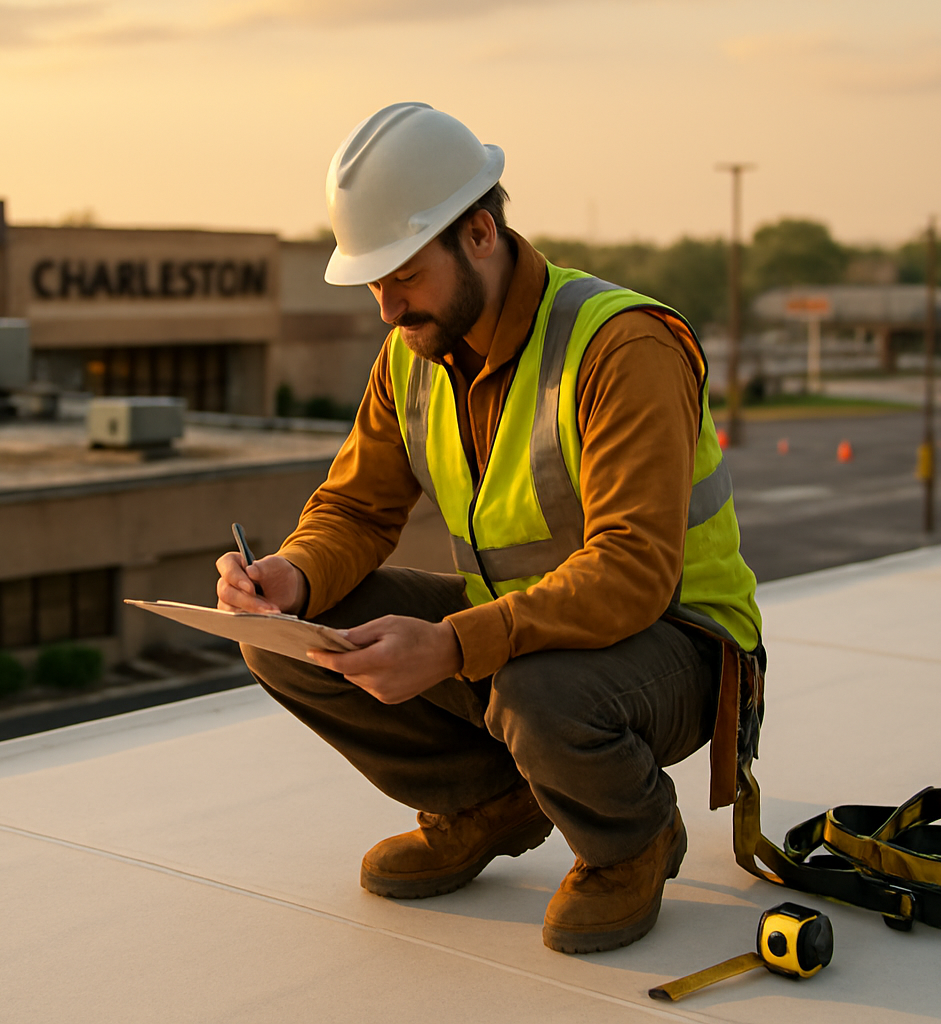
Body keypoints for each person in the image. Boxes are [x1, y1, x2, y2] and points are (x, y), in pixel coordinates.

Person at [216, 102, 763, 954]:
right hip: (521, 628)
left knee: (537, 692)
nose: (387, 307)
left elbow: (630, 572)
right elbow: (357, 510)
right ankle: (487, 803)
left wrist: (454, 645)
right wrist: (294, 575)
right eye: (373, 280)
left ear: (479, 233)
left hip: (678, 642)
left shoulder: (621, 346)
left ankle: (635, 839)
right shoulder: (414, 350)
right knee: (289, 637)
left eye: (402, 273)